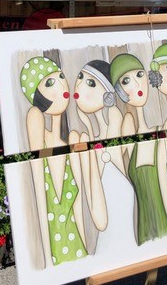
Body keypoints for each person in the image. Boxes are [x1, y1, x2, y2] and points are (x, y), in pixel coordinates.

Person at [20, 56, 108, 267]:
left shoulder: (71, 142)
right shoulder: (35, 119)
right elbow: (39, 194)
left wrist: (87, 256)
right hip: (53, 251)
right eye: (50, 82)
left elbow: (79, 209)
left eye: (61, 77)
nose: (62, 86)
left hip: (76, 247)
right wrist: (47, 259)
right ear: (37, 94)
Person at [74, 59, 123, 142]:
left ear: (108, 97)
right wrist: (88, 125)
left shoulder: (114, 114)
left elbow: (111, 148)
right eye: (80, 76)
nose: (78, 85)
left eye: (90, 83)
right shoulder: (87, 137)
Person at [110, 53, 152, 135]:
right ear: (119, 90)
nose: (137, 84)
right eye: (126, 81)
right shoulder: (128, 123)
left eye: (139, 74)